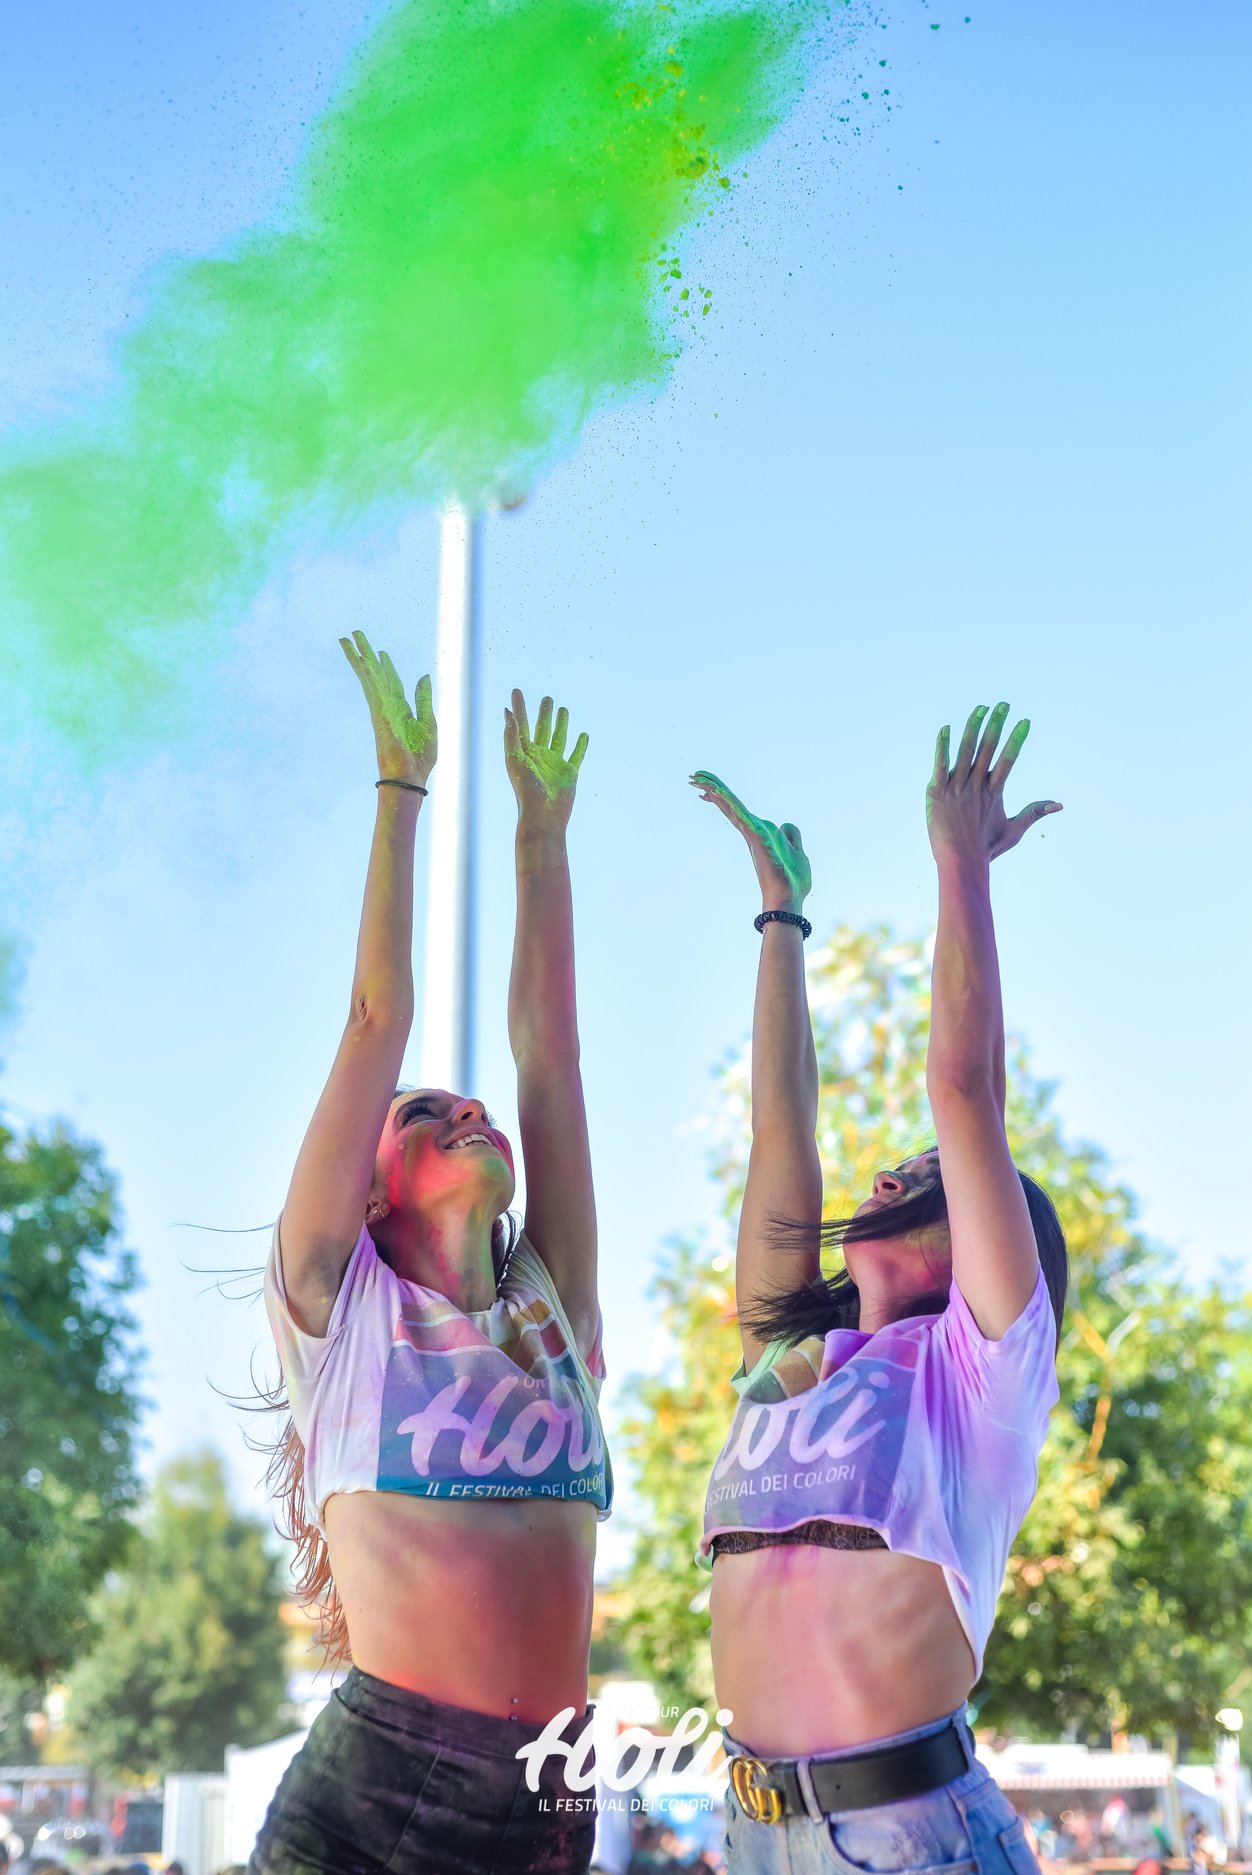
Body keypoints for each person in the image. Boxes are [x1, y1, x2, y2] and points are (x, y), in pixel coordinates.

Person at [249, 635, 609, 1875]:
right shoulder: (335, 1313)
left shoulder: (551, 1310)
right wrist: (402, 792)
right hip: (379, 1791)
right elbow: (375, 1019)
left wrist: (542, 840)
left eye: (472, 1108)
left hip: (554, 1802)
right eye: (424, 1113)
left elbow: (550, 1056)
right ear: (366, 1191)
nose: (471, 1111)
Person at [689, 702, 1069, 1872]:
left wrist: (960, 865)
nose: (888, 1173)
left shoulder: (983, 1372)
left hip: (914, 1840)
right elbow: (778, 1131)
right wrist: (781, 916)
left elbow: (964, 1092)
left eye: (925, 1175)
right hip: (757, 1840)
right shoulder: (786, 1367)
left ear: (984, 1235)